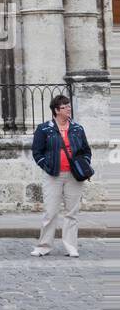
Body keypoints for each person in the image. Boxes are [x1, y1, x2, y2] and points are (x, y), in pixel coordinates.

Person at [31, 94, 93, 258]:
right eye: (65, 107)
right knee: (50, 212)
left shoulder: (77, 128)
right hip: (53, 175)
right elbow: (37, 152)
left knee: (72, 213)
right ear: (57, 110)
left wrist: (83, 164)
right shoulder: (44, 129)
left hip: (74, 176)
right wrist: (46, 165)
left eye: (69, 106)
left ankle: (71, 247)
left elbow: (86, 151)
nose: (69, 109)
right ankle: (43, 246)